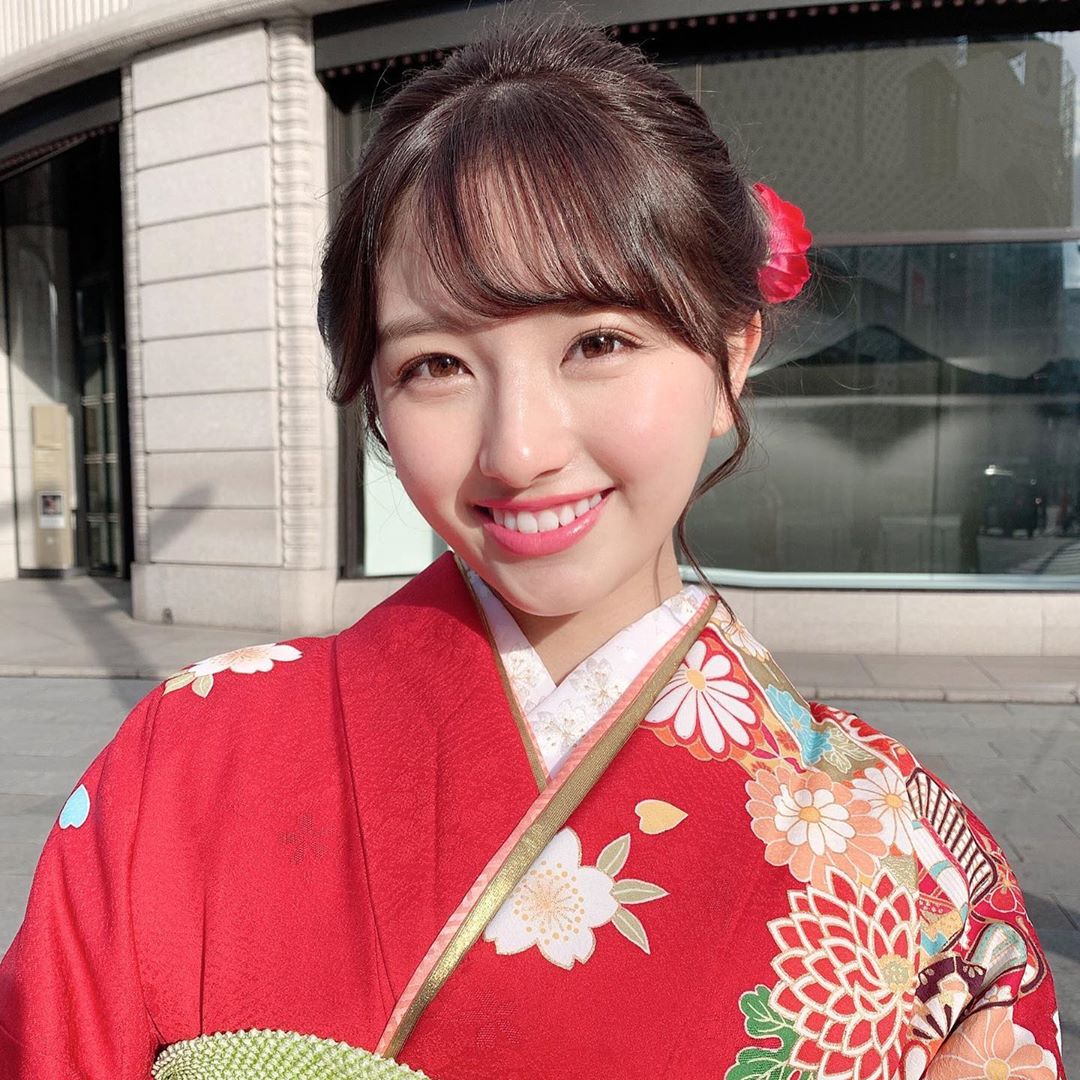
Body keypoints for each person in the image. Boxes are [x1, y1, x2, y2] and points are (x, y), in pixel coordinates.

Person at [0, 10, 1063, 1080]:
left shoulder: (920, 875)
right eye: (436, 365)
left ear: (730, 356)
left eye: (598, 342)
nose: (518, 450)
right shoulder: (188, 762)